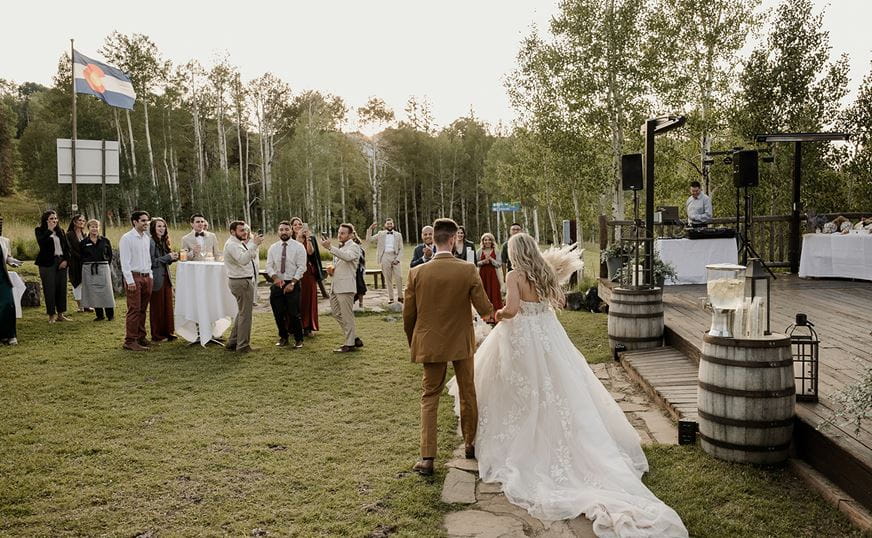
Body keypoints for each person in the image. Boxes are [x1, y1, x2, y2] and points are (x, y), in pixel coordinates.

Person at [449, 233, 688, 537]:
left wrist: (497, 314)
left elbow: (512, 309)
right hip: (548, 333)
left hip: (522, 336)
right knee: (558, 383)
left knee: (521, 386)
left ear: (514, 253)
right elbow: (558, 301)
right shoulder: (544, 271)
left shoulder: (514, 275)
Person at [403, 218, 494, 476]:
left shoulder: (416, 272)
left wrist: (414, 341)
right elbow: (485, 308)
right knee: (467, 392)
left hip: (430, 341)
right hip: (461, 342)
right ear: (453, 239)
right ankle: (470, 444)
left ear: (434, 239)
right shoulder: (467, 270)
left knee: (429, 396)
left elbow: (408, 315)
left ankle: (427, 457)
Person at [320, 223, 363, 353]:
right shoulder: (341, 247)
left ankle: (349, 344)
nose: (339, 235)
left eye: (343, 233)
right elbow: (342, 263)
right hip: (335, 286)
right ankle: (354, 338)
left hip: (346, 287)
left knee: (347, 316)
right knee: (336, 313)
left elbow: (347, 257)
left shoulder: (354, 247)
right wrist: (332, 271)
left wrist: (329, 247)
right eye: (339, 232)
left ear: (350, 235)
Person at [223, 220, 263, 352]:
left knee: (242, 313)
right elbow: (244, 260)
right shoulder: (232, 245)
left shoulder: (237, 243)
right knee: (246, 315)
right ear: (232, 232)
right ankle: (243, 345)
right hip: (241, 282)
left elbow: (248, 256)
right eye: (241, 230)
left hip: (241, 281)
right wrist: (254, 245)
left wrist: (253, 245)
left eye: (245, 230)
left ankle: (233, 341)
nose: (245, 232)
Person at [266, 220, 307, 348]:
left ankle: (299, 339)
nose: (284, 232)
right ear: (278, 232)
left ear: (291, 231)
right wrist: (275, 278)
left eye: (286, 229)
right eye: (281, 230)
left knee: (294, 313)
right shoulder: (273, 248)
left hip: (292, 282)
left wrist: (293, 283)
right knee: (278, 313)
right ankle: (283, 337)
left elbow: (302, 267)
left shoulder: (299, 247)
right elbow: (268, 266)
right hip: (277, 283)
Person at [119, 211, 154, 351]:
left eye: (147, 220)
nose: (146, 223)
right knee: (134, 309)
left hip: (146, 276)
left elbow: (148, 259)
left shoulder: (146, 238)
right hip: (134, 277)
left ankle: (140, 337)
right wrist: (130, 281)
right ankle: (130, 340)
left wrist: (150, 275)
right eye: (143, 220)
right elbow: (125, 262)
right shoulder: (127, 238)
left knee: (143, 309)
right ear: (135, 222)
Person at [35, 210, 72, 323]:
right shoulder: (40, 230)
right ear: (46, 220)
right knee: (49, 288)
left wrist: (66, 260)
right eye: (51, 219)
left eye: (55, 218)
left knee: (61, 288)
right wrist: (49, 230)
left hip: (61, 261)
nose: (54, 221)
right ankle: (51, 315)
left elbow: (67, 248)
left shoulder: (61, 231)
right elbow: (41, 243)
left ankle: (61, 314)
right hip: (47, 263)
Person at [80, 219, 116, 322]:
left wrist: (105, 264)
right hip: (89, 268)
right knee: (94, 291)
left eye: (96, 226)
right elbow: (81, 255)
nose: (94, 229)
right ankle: (99, 315)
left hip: (103, 267)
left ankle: (110, 315)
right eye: (92, 226)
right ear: (88, 228)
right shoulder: (84, 242)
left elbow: (109, 255)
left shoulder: (105, 241)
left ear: (99, 228)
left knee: (106, 291)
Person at [149, 217, 179, 341]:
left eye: (164, 226)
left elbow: (165, 261)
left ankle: (169, 332)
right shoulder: (151, 242)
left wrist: (173, 257)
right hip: (156, 278)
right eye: (159, 226)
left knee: (168, 306)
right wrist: (167, 257)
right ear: (153, 228)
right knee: (157, 307)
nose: (162, 228)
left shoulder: (163, 241)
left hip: (166, 277)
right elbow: (151, 262)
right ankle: (157, 335)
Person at [290, 218, 321, 335]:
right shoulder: (290, 239)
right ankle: (295, 326)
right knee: (296, 299)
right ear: (292, 227)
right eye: (295, 225)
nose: (298, 226)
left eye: (300, 224)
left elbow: (310, 252)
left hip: (308, 272)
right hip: (293, 271)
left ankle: (307, 326)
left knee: (308, 298)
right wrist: (298, 238)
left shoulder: (310, 237)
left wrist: (307, 239)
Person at [365, 218, 404, 303]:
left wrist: (397, 259)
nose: (389, 225)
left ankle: (400, 297)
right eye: (388, 224)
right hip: (385, 256)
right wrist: (370, 229)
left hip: (395, 255)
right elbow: (369, 239)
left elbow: (401, 248)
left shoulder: (398, 235)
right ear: (385, 225)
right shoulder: (380, 234)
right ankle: (391, 298)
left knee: (399, 277)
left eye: (391, 223)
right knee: (388, 278)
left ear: (393, 225)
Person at [476, 232, 503, 323]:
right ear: (483, 241)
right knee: (484, 293)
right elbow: (476, 263)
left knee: (494, 292)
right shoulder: (479, 251)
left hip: (493, 275)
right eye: (485, 240)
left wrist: (491, 259)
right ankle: (485, 316)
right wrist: (484, 261)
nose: (487, 242)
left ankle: (495, 316)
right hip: (483, 275)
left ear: (492, 241)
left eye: (489, 240)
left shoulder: (496, 251)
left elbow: (499, 264)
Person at [66, 214, 88, 312]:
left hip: (84, 262)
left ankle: (87, 304)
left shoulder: (85, 234)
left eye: (83, 221)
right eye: (80, 220)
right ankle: (80, 306)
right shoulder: (69, 234)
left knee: (85, 283)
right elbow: (69, 249)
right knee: (77, 282)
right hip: (74, 262)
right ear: (74, 222)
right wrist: (80, 257)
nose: (82, 222)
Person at [0, 238, 16, 345]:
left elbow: (7, 257)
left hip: (3, 275)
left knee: (8, 303)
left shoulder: (4, 240)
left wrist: (11, 261)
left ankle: (10, 334)